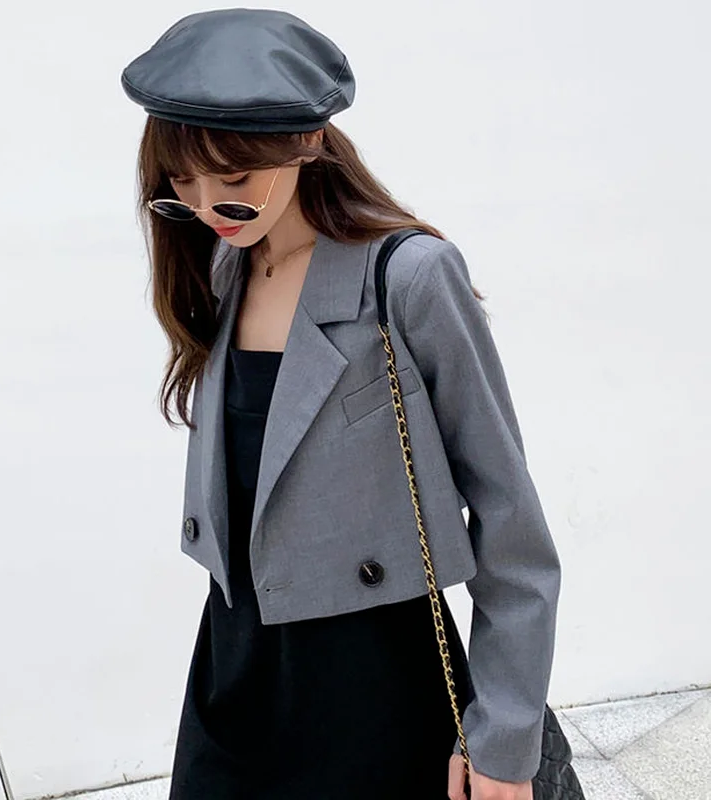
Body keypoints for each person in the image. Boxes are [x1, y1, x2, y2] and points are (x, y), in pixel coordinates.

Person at [121, 9, 562, 800]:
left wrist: (504, 737)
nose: (209, 204)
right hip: (232, 666)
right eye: (182, 181)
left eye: (235, 178)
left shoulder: (409, 278)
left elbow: (511, 523)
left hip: (373, 683)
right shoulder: (228, 267)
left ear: (308, 142)